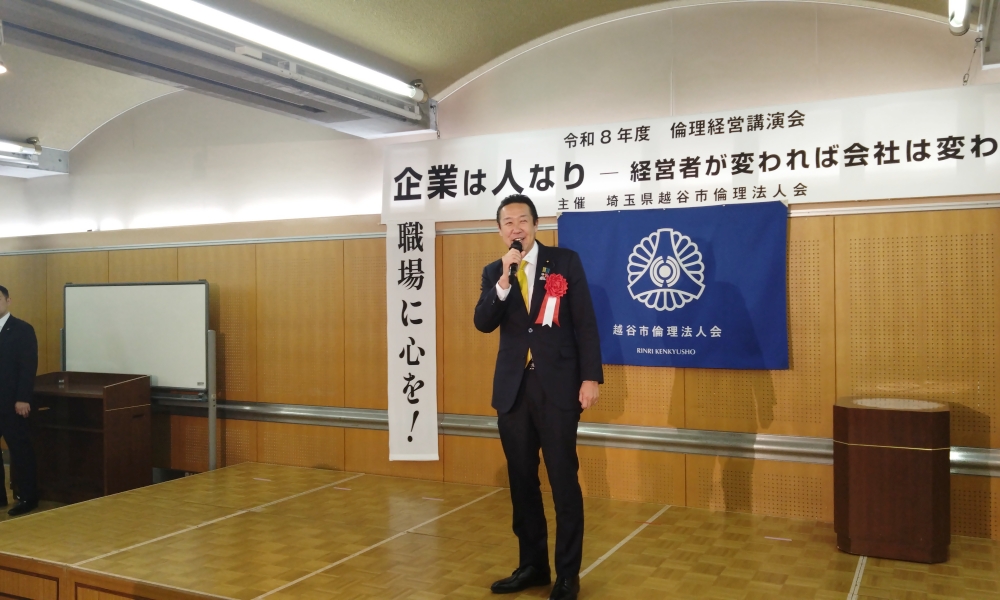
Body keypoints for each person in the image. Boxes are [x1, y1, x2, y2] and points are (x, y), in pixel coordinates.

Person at [474, 195, 603, 600]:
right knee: (521, 481)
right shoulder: (495, 272)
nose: (516, 228)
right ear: (500, 230)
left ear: (535, 224)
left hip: (559, 387)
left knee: (563, 479)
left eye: (523, 220)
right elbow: (483, 322)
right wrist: (503, 282)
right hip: (513, 390)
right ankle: (532, 565)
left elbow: (585, 323)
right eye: (508, 222)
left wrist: (590, 378)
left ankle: (567, 574)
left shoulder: (564, 262)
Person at [0, 285, 39, 516]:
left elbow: (28, 366)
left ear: (8, 301)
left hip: (12, 403)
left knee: (20, 451)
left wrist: (23, 398)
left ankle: (28, 498)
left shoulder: (22, 329)